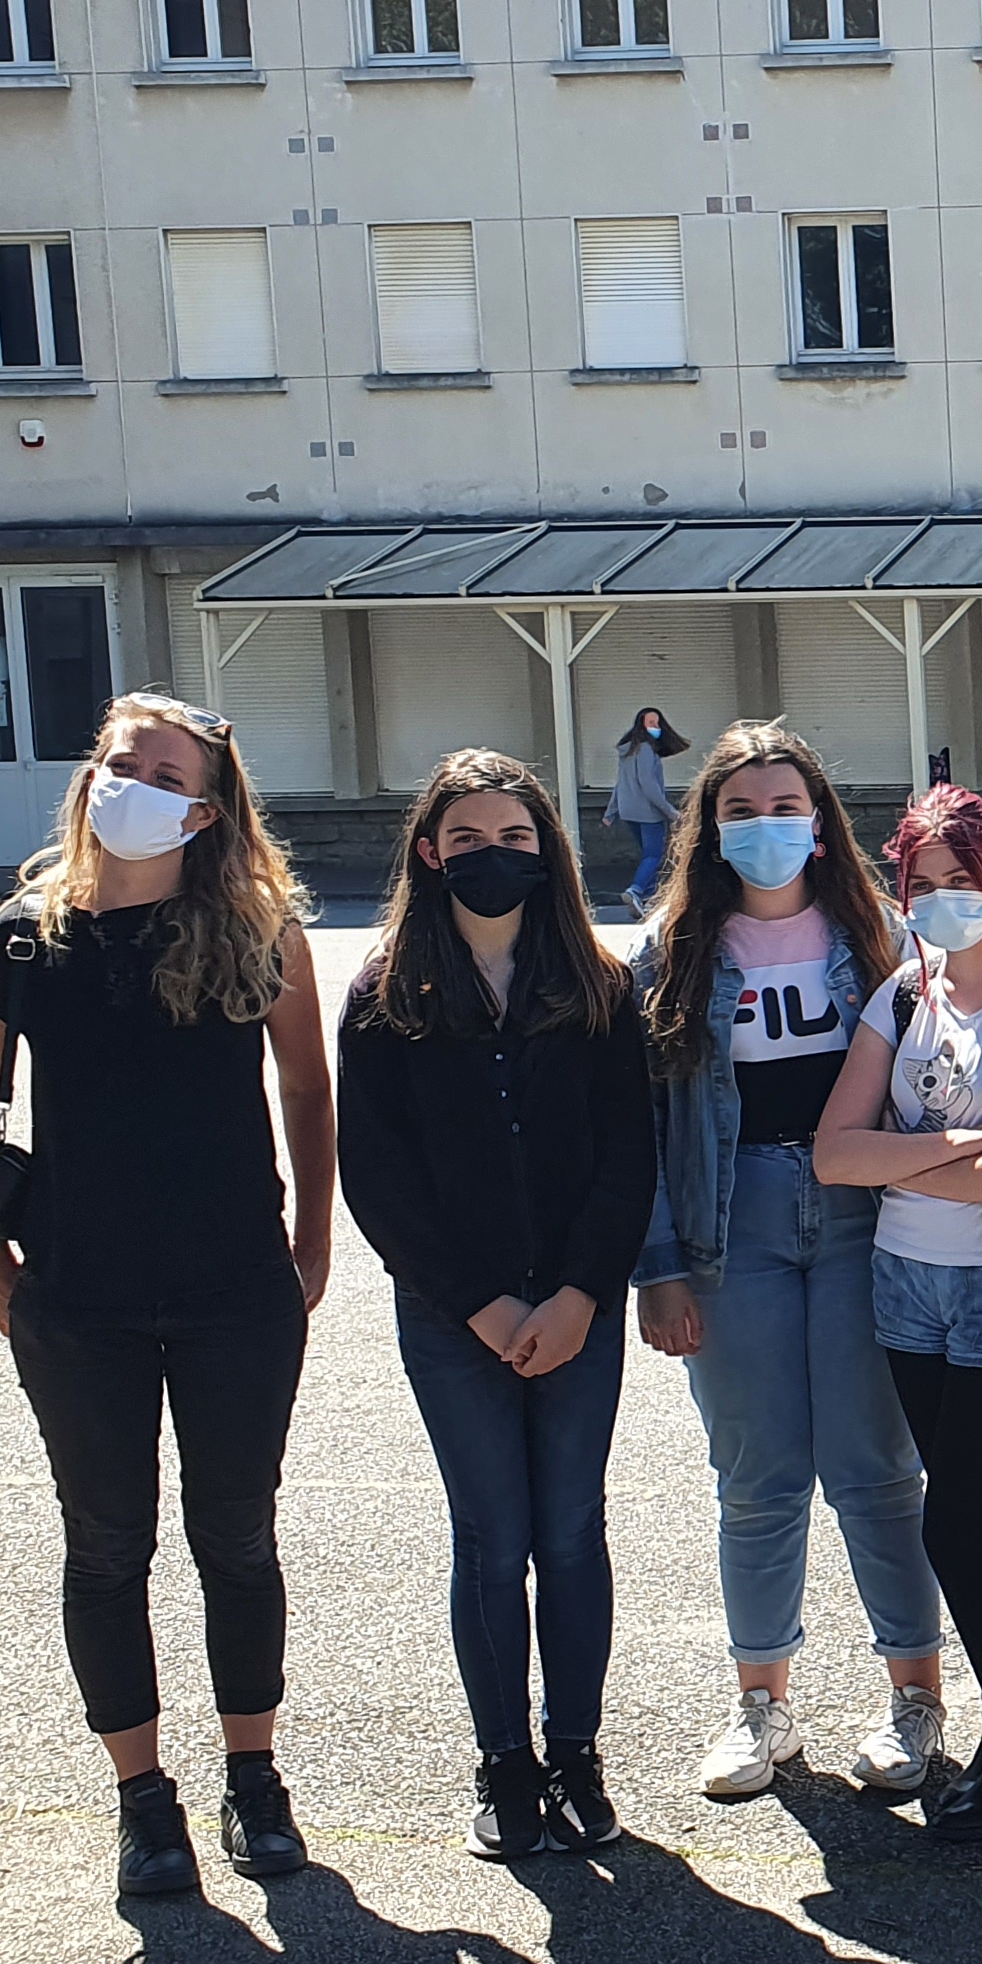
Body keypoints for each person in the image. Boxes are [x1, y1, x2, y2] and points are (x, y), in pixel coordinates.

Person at [0, 692, 332, 1902]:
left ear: (205, 812)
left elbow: (307, 1089)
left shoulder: (258, 933)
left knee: (237, 1538)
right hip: (79, 1297)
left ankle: (254, 1779)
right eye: (121, 762)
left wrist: (313, 1241)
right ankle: (143, 1801)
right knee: (107, 1547)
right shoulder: (23, 943)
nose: (133, 785)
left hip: (235, 1288)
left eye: (165, 775)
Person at [339, 748, 654, 1861]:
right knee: (491, 1536)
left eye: (514, 838)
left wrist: (579, 1294)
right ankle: (504, 1761)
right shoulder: (384, 995)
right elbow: (377, 1176)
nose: (492, 856)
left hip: (577, 1312)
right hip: (452, 1318)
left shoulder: (600, 987)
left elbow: (630, 1156)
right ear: (430, 853)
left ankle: (576, 1752)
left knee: (570, 1532)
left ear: (546, 851)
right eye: (467, 839)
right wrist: (478, 1303)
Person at [631, 723, 949, 1805]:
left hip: (867, 1219)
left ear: (818, 824)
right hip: (732, 1226)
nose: (763, 827)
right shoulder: (672, 950)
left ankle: (915, 1696)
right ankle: (760, 1702)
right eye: (740, 811)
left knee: (878, 1471)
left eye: (783, 808)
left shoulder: (879, 936)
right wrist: (658, 1269)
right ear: (709, 829)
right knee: (757, 1477)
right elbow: (642, 1127)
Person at [811, 784, 982, 1843]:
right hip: (905, 1285)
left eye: (967, 880)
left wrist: (905, 1159)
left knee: (954, 1517)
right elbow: (835, 1155)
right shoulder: (904, 992)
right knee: (974, 1519)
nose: (947, 901)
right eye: (926, 884)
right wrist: (962, 1147)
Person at [611, 709, 688, 911]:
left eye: (657, 723)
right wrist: (671, 812)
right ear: (641, 725)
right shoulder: (645, 749)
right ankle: (635, 890)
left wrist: (611, 812)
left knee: (648, 855)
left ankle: (649, 899)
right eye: (651, 723)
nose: (656, 727)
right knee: (654, 855)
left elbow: (619, 784)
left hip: (628, 811)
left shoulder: (628, 750)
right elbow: (649, 785)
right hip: (648, 812)